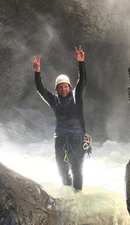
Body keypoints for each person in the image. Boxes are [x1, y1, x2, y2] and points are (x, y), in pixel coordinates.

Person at [32, 46, 87, 190]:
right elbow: (41, 90)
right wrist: (37, 71)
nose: (63, 89)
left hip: (76, 136)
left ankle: (78, 196)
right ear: (56, 89)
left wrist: (81, 62)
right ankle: (68, 196)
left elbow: (82, 81)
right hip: (60, 137)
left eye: (65, 86)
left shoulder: (76, 96)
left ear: (69, 87)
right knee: (62, 170)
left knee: (76, 169)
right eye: (60, 87)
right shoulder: (53, 100)